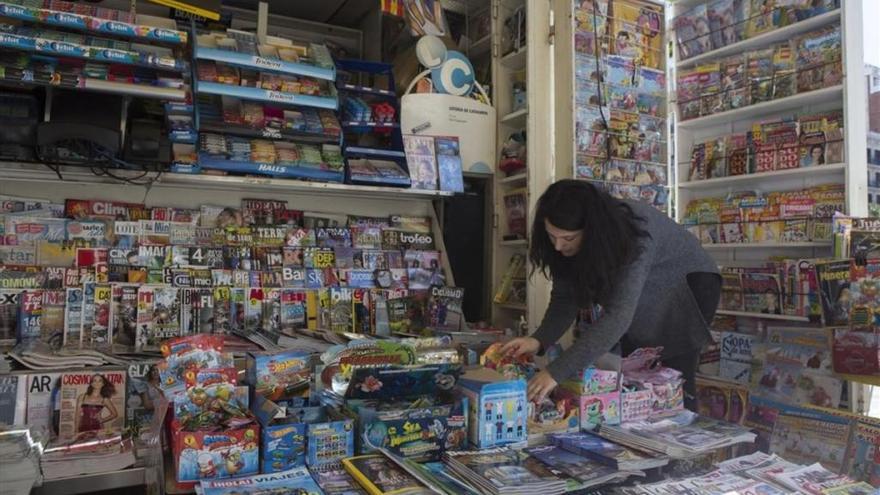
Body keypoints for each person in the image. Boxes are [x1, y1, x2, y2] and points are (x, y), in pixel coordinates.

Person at [501, 180, 721, 410]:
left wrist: (555, 372)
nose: (557, 246)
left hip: (690, 287)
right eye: (551, 236)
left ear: (592, 231)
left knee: (673, 376)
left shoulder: (637, 232)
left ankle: (680, 430)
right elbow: (566, 298)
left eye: (568, 239)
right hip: (647, 293)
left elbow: (618, 317)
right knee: (632, 373)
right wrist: (538, 340)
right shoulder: (563, 245)